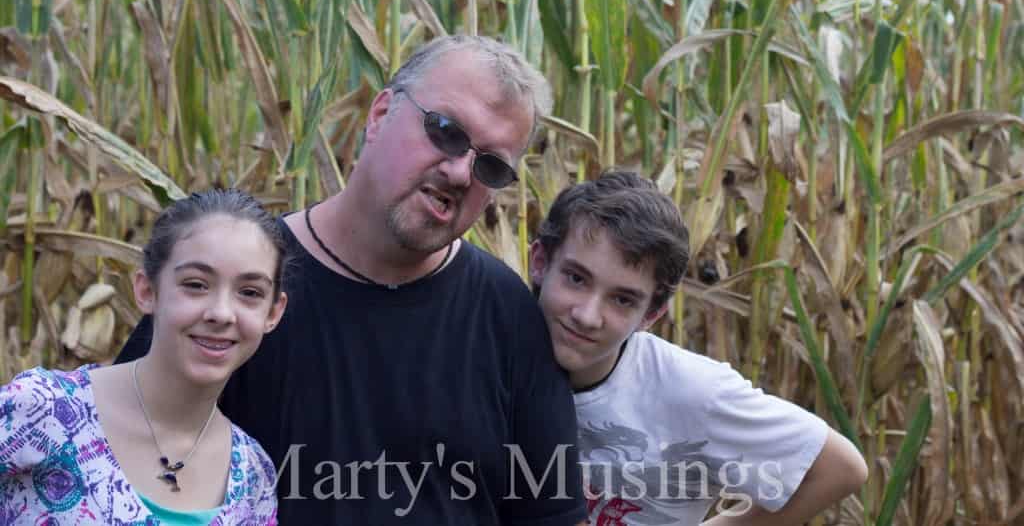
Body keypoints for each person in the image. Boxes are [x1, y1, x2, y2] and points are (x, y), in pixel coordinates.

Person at [117, 36, 588, 524]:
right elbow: (113, 475)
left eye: (490, 165)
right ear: (380, 114)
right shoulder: (236, 290)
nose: (459, 172)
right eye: (445, 131)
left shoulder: (507, 315)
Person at [529, 170, 869, 525]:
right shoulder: (488, 350)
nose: (587, 315)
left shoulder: (691, 392)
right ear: (539, 262)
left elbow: (838, 468)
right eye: (576, 278)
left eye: (623, 299)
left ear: (653, 314)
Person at [1, 189, 288, 524]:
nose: (222, 313)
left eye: (250, 293)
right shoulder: (40, 411)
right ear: (147, 290)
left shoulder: (254, 477)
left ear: (273, 312)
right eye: (196, 284)